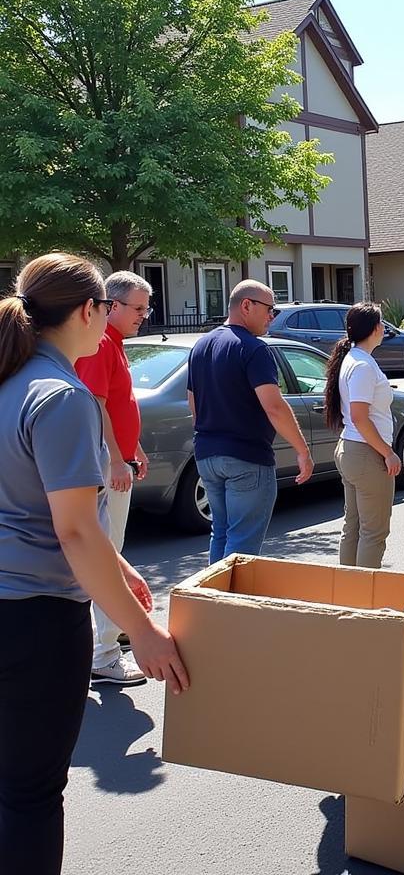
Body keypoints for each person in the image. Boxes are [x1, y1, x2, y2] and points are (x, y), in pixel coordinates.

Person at [0, 253, 188, 875]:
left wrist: (120, 568)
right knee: (28, 795)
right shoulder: (60, 397)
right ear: (89, 311)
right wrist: (141, 627)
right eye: (108, 308)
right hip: (35, 620)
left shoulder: (10, 382)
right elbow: (76, 530)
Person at [187, 280, 313, 564]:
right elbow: (274, 407)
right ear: (246, 305)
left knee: (221, 532)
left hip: (207, 453)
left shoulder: (201, 345)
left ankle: (212, 601)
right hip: (247, 457)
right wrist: (302, 451)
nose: (272, 316)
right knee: (242, 542)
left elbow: (193, 402)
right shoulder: (255, 349)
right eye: (270, 309)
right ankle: (230, 605)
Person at [75, 271, 153, 687]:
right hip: (107, 465)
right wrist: (116, 460)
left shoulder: (112, 341)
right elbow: (96, 403)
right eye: (138, 308)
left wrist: (132, 449)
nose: (144, 315)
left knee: (109, 551)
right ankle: (104, 653)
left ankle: (102, 643)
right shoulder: (103, 342)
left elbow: (116, 404)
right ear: (113, 305)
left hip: (115, 459)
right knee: (109, 554)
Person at [323, 303, 401, 568]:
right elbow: (359, 416)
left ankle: (349, 593)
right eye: (381, 323)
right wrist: (388, 452)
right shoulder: (363, 365)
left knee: (354, 527)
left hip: (352, 449)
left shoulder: (353, 359)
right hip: (366, 453)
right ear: (375, 328)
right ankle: (366, 599)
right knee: (373, 533)